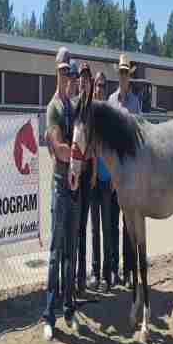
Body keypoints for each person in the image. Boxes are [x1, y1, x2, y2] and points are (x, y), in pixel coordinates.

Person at [42, 46, 80, 341]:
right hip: (60, 185)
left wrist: (75, 152)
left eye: (70, 71)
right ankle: (49, 314)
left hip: (74, 185)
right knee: (56, 253)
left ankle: (68, 308)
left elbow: (76, 147)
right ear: (56, 71)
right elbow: (61, 149)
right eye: (63, 70)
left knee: (70, 253)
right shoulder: (54, 107)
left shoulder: (73, 106)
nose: (67, 75)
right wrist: (78, 152)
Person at [107, 53, 141, 289]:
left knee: (131, 222)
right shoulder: (110, 101)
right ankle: (116, 269)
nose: (123, 76)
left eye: (126, 72)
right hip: (115, 172)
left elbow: (140, 137)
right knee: (115, 224)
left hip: (131, 172)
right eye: (120, 72)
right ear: (117, 75)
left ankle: (130, 271)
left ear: (130, 75)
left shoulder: (135, 103)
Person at [89, 72, 114, 292]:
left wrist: (114, 176)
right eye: (97, 85)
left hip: (106, 180)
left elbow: (114, 150)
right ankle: (95, 272)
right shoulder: (90, 113)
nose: (99, 89)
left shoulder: (109, 115)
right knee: (95, 230)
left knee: (107, 228)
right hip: (93, 181)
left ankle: (107, 275)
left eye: (103, 86)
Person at [74, 61, 93, 295]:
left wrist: (93, 171)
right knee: (75, 227)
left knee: (84, 226)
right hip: (75, 171)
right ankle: (74, 278)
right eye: (81, 77)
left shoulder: (93, 109)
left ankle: (81, 278)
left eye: (86, 78)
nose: (84, 81)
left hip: (88, 171)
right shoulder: (73, 105)